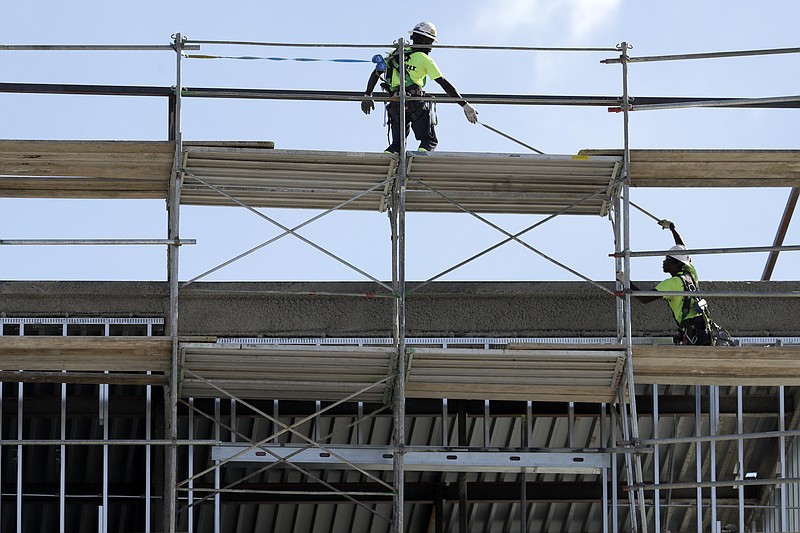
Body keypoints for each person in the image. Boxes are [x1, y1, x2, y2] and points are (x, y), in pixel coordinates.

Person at [360, 21, 478, 153]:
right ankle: (421, 156)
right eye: (430, 42)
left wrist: (367, 95)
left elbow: (376, 72)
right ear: (423, 39)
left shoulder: (395, 54)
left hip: (395, 104)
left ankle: (388, 157)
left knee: (396, 145)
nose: (431, 47)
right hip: (415, 103)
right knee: (429, 140)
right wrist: (464, 105)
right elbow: (444, 83)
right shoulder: (423, 59)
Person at [628, 219, 712, 345]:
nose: (664, 261)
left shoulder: (672, 283)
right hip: (703, 332)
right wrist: (673, 228)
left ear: (675, 263)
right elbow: (684, 252)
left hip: (693, 334)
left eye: (667, 259)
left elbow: (645, 298)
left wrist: (626, 281)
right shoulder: (691, 275)